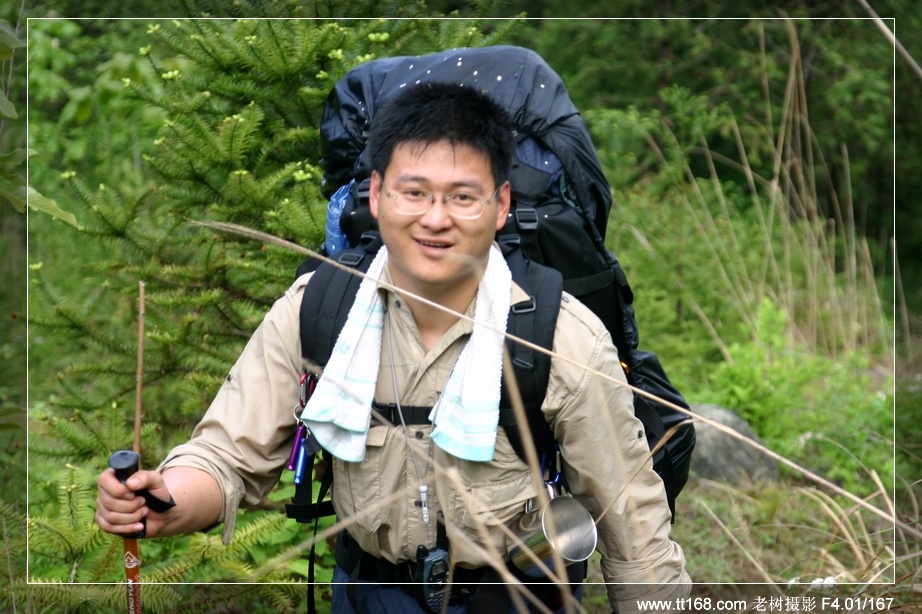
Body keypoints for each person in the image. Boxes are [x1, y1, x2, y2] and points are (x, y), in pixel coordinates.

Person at [96, 81, 692, 613]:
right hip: (367, 595)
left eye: (463, 196)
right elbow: (227, 457)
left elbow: (630, 524)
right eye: (414, 192)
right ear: (377, 195)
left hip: (514, 597)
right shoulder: (318, 310)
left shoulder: (558, 336)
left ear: (501, 204)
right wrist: (165, 500)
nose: (436, 219)